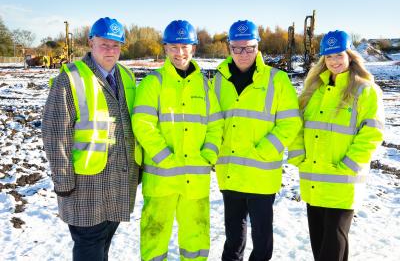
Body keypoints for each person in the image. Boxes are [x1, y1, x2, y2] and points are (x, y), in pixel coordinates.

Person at [42, 17, 140, 261]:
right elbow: (55, 134)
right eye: (104, 44)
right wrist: (63, 182)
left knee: (103, 244)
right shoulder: (71, 78)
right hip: (84, 186)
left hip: (118, 182)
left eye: (116, 45)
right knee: (89, 246)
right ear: (91, 42)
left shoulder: (126, 76)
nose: (110, 50)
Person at [288, 30, 384, 261]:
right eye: (329, 57)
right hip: (314, 179)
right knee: (319, 244)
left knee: (332, 246)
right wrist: (299, 155)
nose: (334, 61)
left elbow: (373, 132)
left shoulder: (365, 90)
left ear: (350, 55)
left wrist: (349, 165)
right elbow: (296, 127)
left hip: (342, 181)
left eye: (339, 55)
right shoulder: (313, 90)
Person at [132, 20, 224, 261]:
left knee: (196, 237)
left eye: (185, 47)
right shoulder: (154, 83)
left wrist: (208, 156)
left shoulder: (204, 86)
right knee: (154, 236)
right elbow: (142, 123)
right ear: (165, 48)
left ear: (193, 48)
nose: (180, 53)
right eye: (174, 47)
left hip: (195, 180)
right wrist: (164, 158)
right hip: (161, 179)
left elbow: (216, 124)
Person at [212, 20, 302, 261]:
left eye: (249, 47)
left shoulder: (277, 80)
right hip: (229, 171)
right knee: (233, 236)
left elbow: (290, 122)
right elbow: (212, 121)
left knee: (262, 239)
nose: (244, 54)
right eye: (237, 48)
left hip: (261, 173)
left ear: (258, 47)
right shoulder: (218, 80)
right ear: (229, 48)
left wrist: (265, 150)